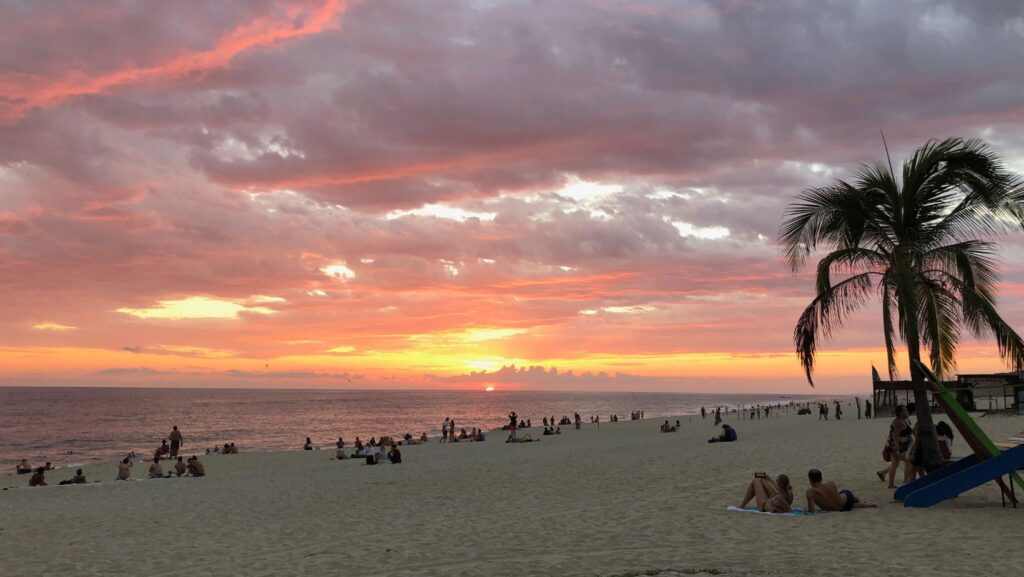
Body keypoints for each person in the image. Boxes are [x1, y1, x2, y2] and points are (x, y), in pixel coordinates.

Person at [877, 405, 913, 488]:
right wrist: (896, 447)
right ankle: (905, 481)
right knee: (909, 461)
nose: (907, 412)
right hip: (899, 447)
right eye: (904, 410)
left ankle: (891, 484)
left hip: (899, 446)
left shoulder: (902, 421)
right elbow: (895, 435)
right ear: (900, 413)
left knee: (895, 464)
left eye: (906, 410)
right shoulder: (898, 422)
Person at [806, 469, 874, 512]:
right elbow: (835, 497)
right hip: (847, 501)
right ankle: (862, 502)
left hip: (840, 509)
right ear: (821, 478)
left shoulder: (810, 492)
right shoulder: (830, 484)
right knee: (844, 495)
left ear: (810, 480)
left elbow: (812, 511)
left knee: (842, 502)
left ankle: (860, 503)